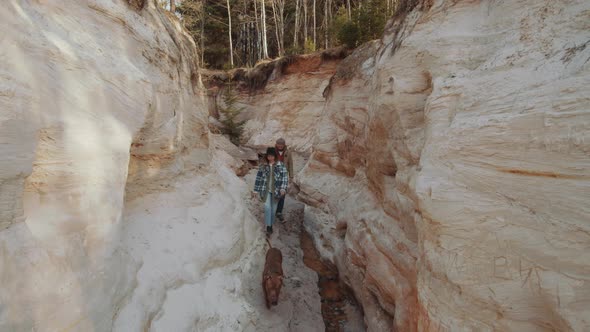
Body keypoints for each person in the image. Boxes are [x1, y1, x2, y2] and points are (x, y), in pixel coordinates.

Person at [253, 147, 288, 234]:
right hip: (265, 190)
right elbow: (258, 177)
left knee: (273, 209)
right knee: (267, 207)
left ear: (275, 156)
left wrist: (283, 188)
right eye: (269, 156)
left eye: (272, 156)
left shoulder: (281, 165)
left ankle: (271, 224)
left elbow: (284, 177)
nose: (270, 158)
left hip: (276, 191)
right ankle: (268, 226)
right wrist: (255, 190)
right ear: (266, 156)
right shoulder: (263, 166)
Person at [274, 138, 293, 222]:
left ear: (284, 144)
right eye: (279, 144)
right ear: (276, 144)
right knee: (273, 192)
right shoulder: (272, 151)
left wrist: (291, 176)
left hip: (284, 176)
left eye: (281, 144)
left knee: (282, 194)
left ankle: (279, 212)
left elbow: (290, 164)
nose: (280, 146)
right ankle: (272, 209)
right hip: (274, 175)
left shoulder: (288, 152)